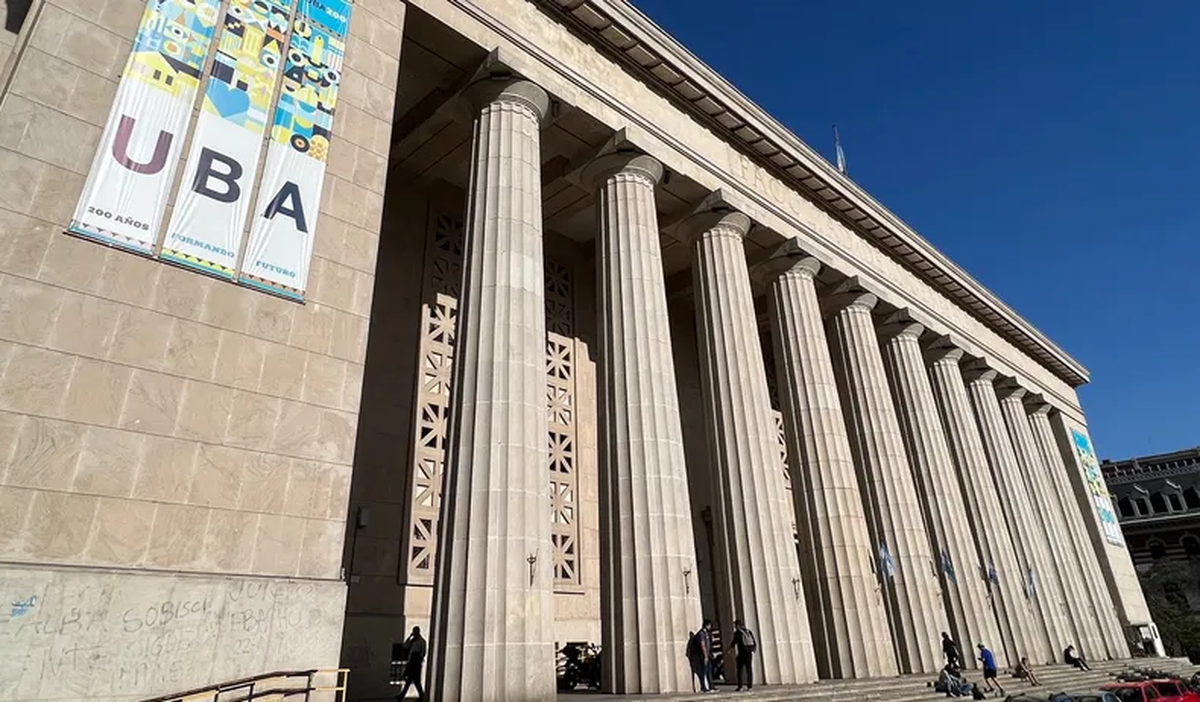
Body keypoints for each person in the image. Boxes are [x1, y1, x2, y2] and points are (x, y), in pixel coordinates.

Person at [396, 626, 427, 701]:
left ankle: (421, 696)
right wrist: (409, 637)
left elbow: (423, 652)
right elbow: (405, 646)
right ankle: (402, 695)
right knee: (409, 680)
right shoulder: (413, 641)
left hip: (416, 663)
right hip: (411, 661)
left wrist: (419, 660)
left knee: (416, 681)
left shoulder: (422, 641)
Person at [731, 619, 757, 691]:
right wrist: (753, 648)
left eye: (735, 625)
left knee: (740, 670)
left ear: (737, 625)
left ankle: (740, 686)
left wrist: (729, 649)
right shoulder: (748, 631)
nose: (734, 626)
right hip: (749, 652)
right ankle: (750, 686)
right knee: (749, 669)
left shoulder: (737, 633)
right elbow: (754, 641)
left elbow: (734, 642)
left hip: (741, 653)